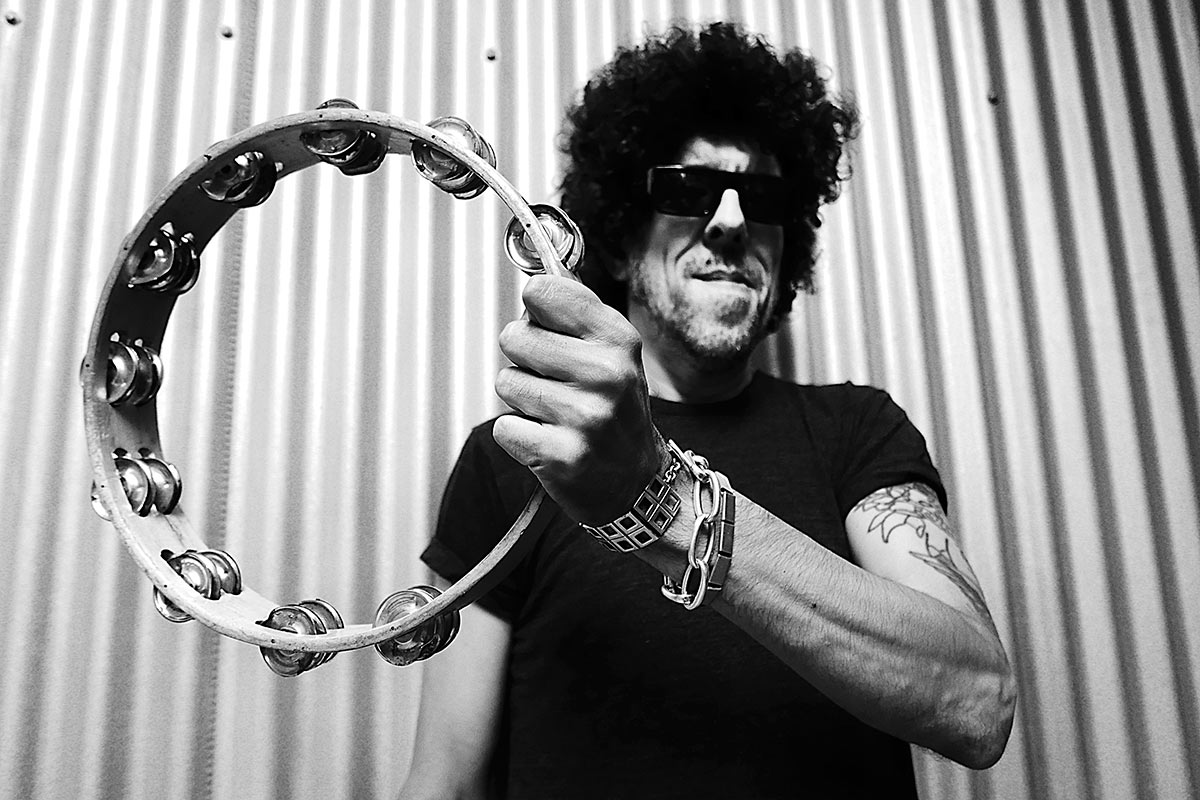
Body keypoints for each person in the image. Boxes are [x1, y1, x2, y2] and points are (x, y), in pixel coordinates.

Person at [401, 21, 1016, 800]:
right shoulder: (517, 453)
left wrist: (660, 499)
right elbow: (444, 782)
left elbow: (977, 703)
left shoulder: (857, 431)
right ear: (620, 238)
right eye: (687, 190)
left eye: (762, 198)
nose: (730, 221)